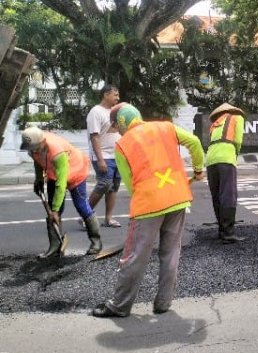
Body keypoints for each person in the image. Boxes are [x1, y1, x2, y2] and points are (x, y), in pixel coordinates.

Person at [93, 103, 204, 318]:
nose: (117, 131)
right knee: (171, 253)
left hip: (148, 205)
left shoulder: (123, 145)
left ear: (121, 122)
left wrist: (148, 195)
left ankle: (119, 306)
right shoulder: (166, 127)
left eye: (116, 127)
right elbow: (195, 142)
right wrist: (199, 169)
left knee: (135, 256)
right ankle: (163, 303)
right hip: (178, 199)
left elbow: (130, 183)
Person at [20, 127, 102, 257]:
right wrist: (39, 179)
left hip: (75, 172)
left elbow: (61, 183)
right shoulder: (33, 146)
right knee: (53, 211)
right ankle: (54, 246)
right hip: (54, 173)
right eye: (31, 148)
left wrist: (55, 210)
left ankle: (96, 243)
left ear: (42, 141)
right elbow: (37, 162)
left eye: (35, 147)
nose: (33, 150)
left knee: (81, 206)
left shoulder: (57, 152)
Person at [206, 102, 245, 243]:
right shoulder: (237, 118)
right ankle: (228, 234)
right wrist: (234, 155)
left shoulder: (214, 124)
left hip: (210, 159)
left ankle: (221, 231)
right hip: (226, 158)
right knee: (228, 195)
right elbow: (238, 140)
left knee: (216, 195)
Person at [86, 84, 122, 228]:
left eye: (118, 95)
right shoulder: (96, 111)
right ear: (106, 95)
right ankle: (85, 215)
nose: (118, 98)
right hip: (103, 156)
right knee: (104, 184)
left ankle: (108, 219)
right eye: (115, 95)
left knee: (113, 187)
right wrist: (100, 159)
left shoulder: (116, 112)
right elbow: (94, 137)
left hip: (117, 155)